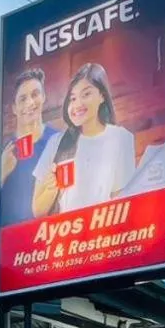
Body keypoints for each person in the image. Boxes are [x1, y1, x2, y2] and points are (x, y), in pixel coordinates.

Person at [32, 62, 136, 217]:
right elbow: (37, 211)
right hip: (64, 236)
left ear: (102, 95)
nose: (77, 104)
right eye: (73, 98)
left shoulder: (121, 138)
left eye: (86, 94)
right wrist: (50, 189)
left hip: (104, 236)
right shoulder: (56, 142)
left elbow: (123, 204)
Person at [0, 68, 58, 227]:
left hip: (50, 238)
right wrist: (2, 173)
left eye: (35, 94)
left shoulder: (59, 140)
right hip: (12, 243)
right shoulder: (4, 151)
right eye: (23, 98)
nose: (30, 103)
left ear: (44, 97)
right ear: (14, 108)